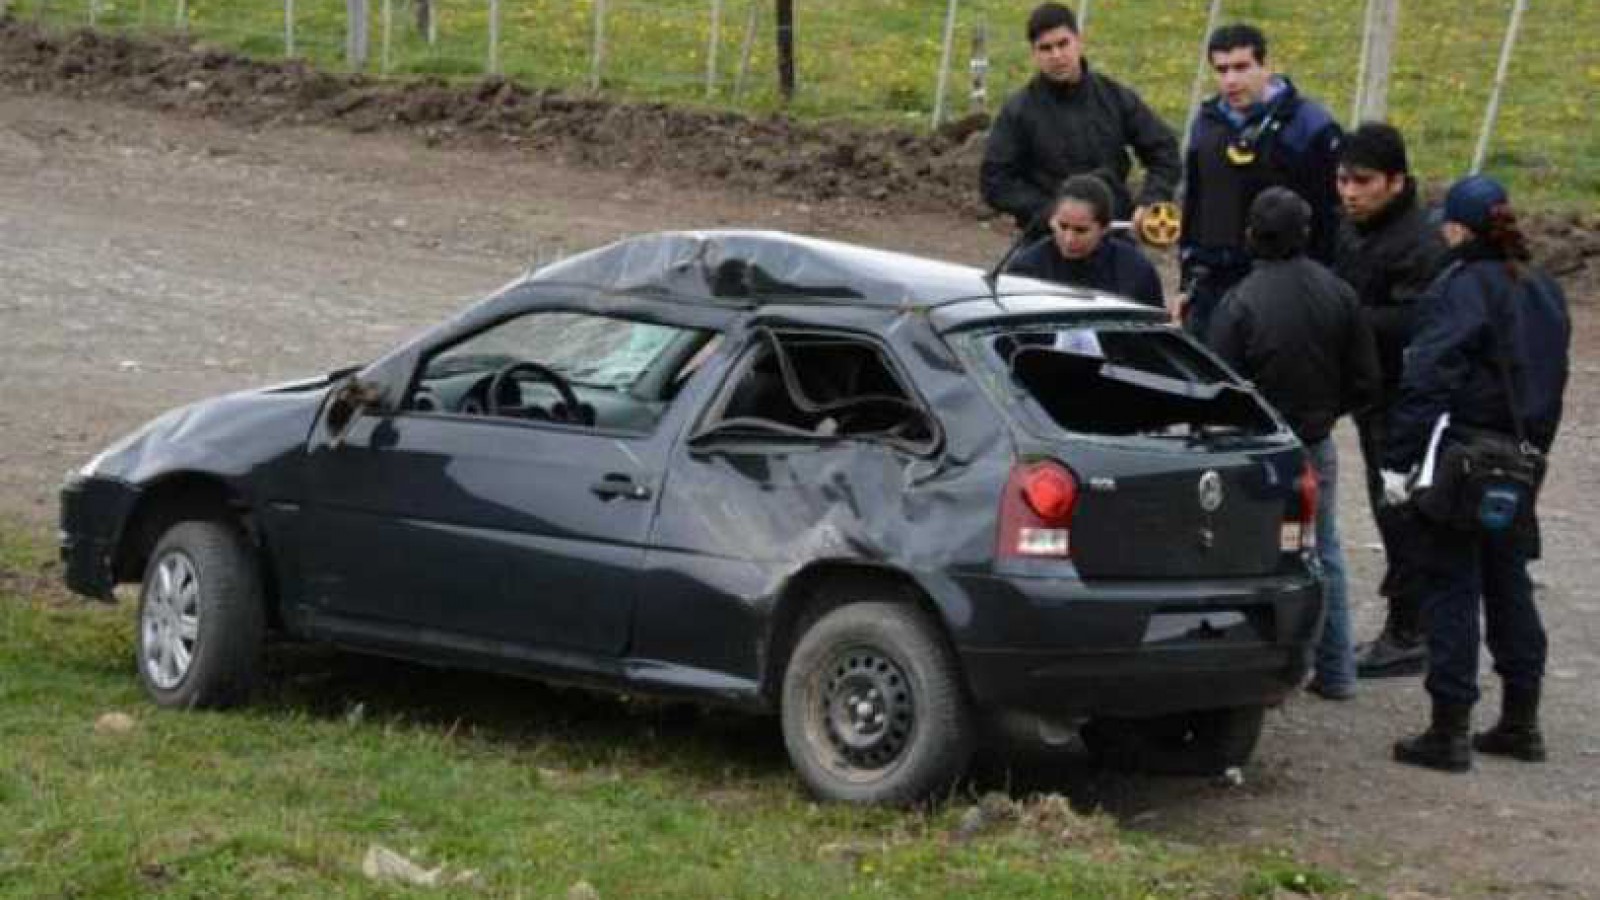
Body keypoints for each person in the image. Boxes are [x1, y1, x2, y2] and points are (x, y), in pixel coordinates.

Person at [1383, 175, 1570, 772]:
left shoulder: (1461, 287)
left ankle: (1450, 727)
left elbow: (1429, 374)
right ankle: (1521, 720)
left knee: (1451, 585)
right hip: (1522, 459)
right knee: (1509, 581)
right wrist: (1534, 451)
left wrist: (1399, 458)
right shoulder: (1544, 289)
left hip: (1464, 457)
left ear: (1459, 228)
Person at [1207, 187, 1380, 701]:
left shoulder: (1238, 302)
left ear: (1251, 236)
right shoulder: (1339, 292)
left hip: (1258, 452)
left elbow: (1221, 391)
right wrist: (1325, 415)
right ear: (1305, 234)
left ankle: (1260, 669)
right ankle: (1337, 670)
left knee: (1250, 556)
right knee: (1324, 553)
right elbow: (1367, 381)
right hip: (1316, 442)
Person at [1332, 123, 1449, 678]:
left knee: (1402, 509)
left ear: (1395, 181)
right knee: (1387, 507)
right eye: (1342, 180)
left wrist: (1347, 321)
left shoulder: (1418, 245)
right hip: (1371, 394)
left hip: (1406, 402)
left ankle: (1411, 630)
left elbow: (1417, 322)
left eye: (1363, 181)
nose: (1349, 191)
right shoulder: (1355, 228)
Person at [1178, 23, 1343, 339]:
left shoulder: (1310, 126)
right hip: (1212, 283)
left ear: (1266, 66)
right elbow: (1194, 205)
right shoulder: (1205, 124)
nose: (1231, 80)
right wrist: (1187, 280)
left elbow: (1330, 213)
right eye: (1221, 69)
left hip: (1282, 284)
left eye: (1241, 67)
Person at [981, 2, 1180, 231]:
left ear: (1079, 41)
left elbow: (1164, 149)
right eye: (1045, 48)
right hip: (1047, 239)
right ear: (1033, 54)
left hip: (1111, 234)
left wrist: (1150, 201)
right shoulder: (1018, 111)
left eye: (1063, 44)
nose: (1056, 56)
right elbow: (995, 182)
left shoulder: (1114, 97)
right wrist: (1051, 212)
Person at [1006, 174, 1164, 307]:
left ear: (1104, 228)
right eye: (1063, 226)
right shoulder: (1025, 270)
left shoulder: (1135, 271)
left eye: (1081, 231)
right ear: (1052, 221)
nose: (1069, 239)